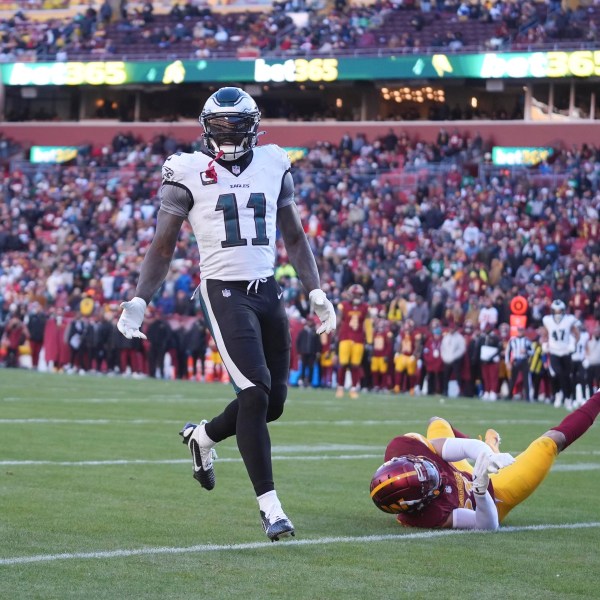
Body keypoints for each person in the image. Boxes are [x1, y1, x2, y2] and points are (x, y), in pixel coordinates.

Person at [116, 87, 336, 541]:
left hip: (268, 290)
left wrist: (316, 291)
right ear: (205, 127)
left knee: (271, 405)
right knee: (254, 392)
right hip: (222, 292)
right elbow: (163, 245)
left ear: (253, 127)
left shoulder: (275, 162)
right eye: (219, 126)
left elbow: (295, 238)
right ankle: (271, 508)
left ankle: (204, 437)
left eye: (235, 126)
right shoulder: (187, 170)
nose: (228, 134)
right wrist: (140, 298)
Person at [370, 390, 600, 529]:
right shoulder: (428, 516)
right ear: (420, 503)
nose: (432, 473)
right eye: (428, 481)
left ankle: (492, 449)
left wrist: (487, 454)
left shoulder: (404, 446)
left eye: (423, 467)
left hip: (458, 471)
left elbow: (460, 447)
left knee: (437, 421)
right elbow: (487, 525)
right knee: (549, 443)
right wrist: (480, 491)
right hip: (493, 494)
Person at [542, 299, 580, 409]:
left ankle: (568, 398)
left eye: (560, 311)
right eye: (556, 311)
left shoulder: (569, 320)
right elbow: (544, 335)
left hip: (566, 351)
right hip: (554, 351)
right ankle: (558, 394)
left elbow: (577, 334)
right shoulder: (548, 320)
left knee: (567, 376)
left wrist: (574, 344)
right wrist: (544, 344)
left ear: (563, 311)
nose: (558, 313)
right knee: (557, 373)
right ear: (552, 311)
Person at [335, 283, 368, 399]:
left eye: (359, 295)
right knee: (343, 363)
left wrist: (369, 339)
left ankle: (353, 388)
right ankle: (340, 387)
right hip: (345, 337)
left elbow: (366, 324)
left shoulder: (365, 307)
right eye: (355, 294)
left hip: (358, 339)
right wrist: (334, 334)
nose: (357, 297)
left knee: (355, 365)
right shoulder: (343, 305)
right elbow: (338, 320)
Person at [505, 325, 533, 401]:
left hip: (524, 360)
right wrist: (507, 362)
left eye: (522, 330)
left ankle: (527, 396)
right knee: (513, 378)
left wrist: (526, 351)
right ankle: (509, 395)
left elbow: (532, 352)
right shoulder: (512, 340)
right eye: (519, 330)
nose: (520, 332)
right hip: (516, 360)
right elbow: (508, 352)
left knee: (526, 379)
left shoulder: (527, 340)